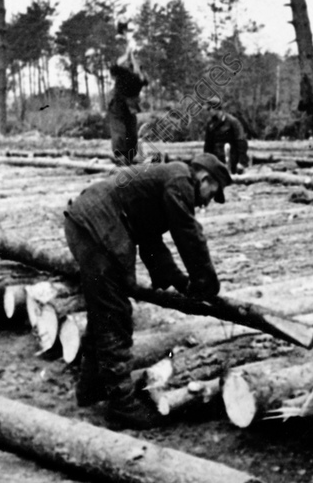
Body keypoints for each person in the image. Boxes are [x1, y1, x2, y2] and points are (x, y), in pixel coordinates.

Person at [63, 153, 230, 428]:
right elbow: (187, 232)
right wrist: (206, 282)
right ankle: (122, 404)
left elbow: (150, 239)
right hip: (96, 226)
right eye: (214, 192)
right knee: (114, 313)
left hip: (90, 222)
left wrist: (180, 281)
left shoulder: (169, 180)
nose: (209, 201)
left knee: (102, 310)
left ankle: (90, 389)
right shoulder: (180, 180)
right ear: (204, 178)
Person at [107, 45, 148, 166]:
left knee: (131, 130)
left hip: (130, 105)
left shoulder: (141, 77)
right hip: (117, 103)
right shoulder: (123, 72)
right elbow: (116, 65)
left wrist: (132, 58)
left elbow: (139, 75)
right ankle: (120, 156)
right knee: (119, 129)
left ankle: (129, 156)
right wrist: (127, 54)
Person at [203, 106, 249, 173]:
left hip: (232, 159)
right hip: (217, 159)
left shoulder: (233, 121)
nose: (209, 111)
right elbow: (208, 144)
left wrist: (242, 161)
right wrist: (206, 161)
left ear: (216, 108)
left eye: (209, 109)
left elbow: (241, 141)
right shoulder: (210, 123)